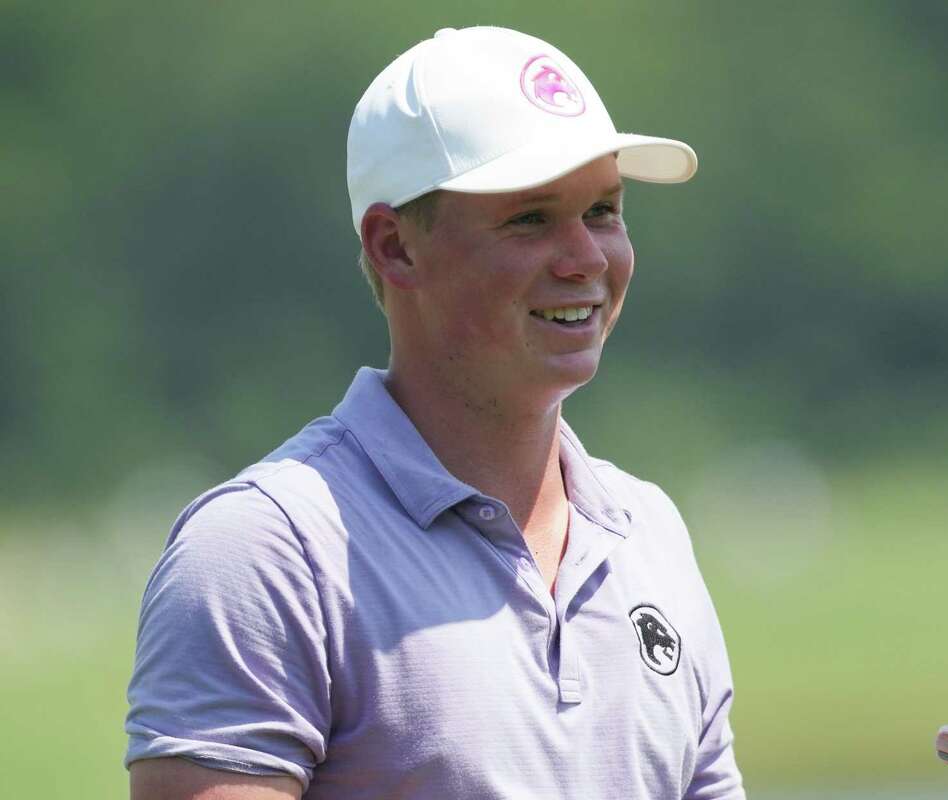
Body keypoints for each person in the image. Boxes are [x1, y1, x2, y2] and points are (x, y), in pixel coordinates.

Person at [125, 25, 743, 800]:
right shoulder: (265, 553)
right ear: (394, 247)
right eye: (530, 218)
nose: (585, 257)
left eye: (604, 211)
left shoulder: (649, 533)